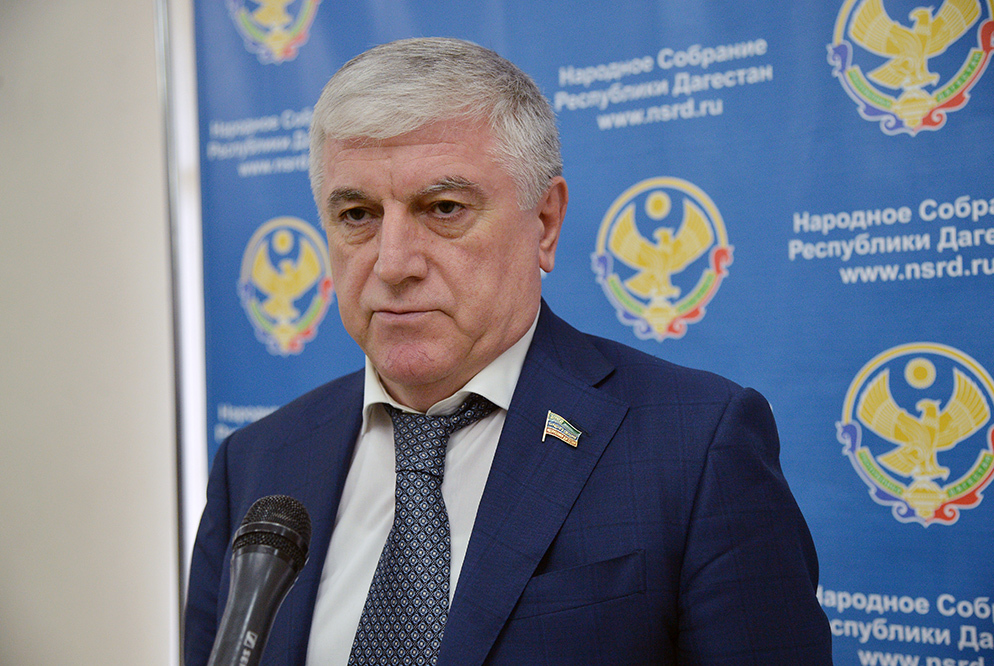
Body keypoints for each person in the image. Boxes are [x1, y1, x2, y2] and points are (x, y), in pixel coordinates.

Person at [184, 37, 833, 665]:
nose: (393, 263)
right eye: (357, 215)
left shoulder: (695, 446)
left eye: (443, 208)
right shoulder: (258, 462)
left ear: (545, 222)